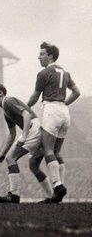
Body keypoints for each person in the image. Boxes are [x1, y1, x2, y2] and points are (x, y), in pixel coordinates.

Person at [26, 42, 81, 203]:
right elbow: (77, 92)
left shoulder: (44, 73)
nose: (39, 57)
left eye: (42, 54)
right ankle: (59, 190)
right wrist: (64, 103)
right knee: (56, 152)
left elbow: (35, 97)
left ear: (50, 55)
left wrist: (23, 107)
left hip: (50, 110)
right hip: (64, 112)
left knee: (47, 149)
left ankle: (57, 185)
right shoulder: (65, 72)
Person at [0, 82, 45, 203]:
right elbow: (12, 134)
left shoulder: (8, 101)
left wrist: (24, 135)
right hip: (34, 128)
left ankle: (14, 195)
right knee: (33, 165)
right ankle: (52, 197)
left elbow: (26, 114)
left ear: (0, 93)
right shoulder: (5, 111)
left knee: (11, 158)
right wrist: (2, 154)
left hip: (33, 128)